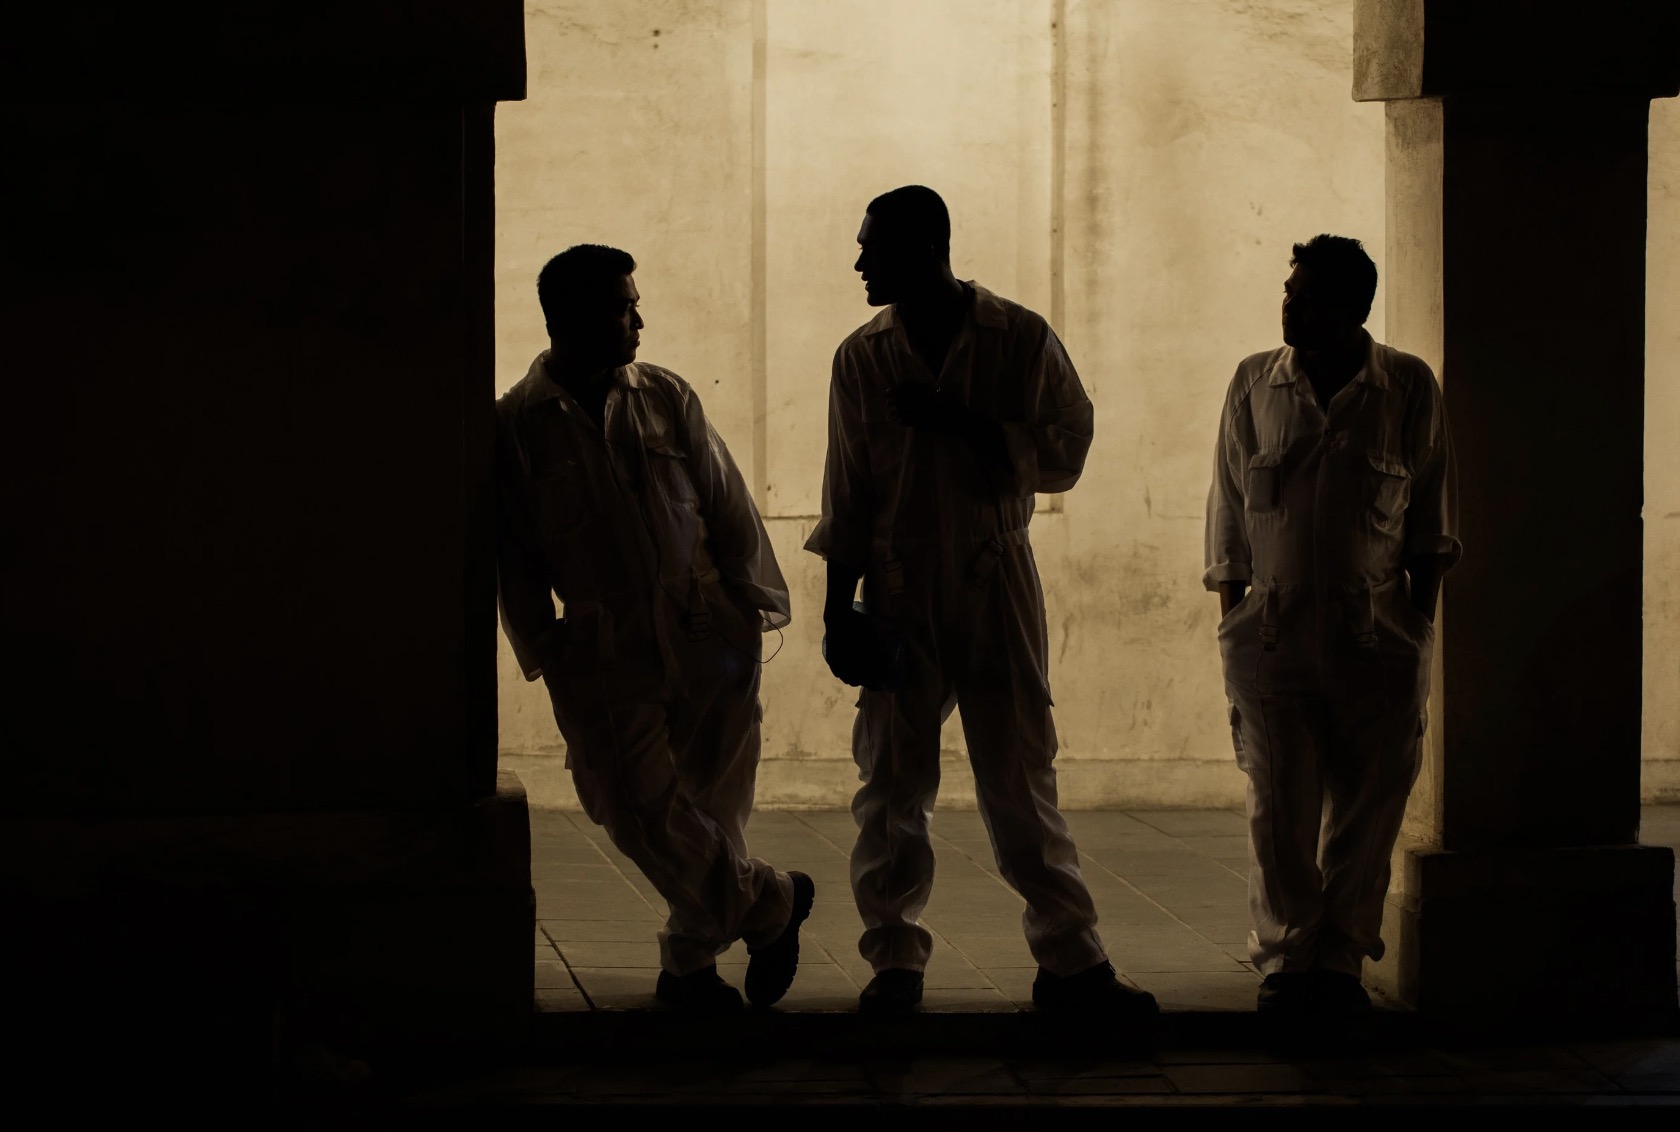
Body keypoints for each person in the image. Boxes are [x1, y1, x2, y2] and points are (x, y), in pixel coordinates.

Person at [807, 185, 1159, 1020]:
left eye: (873, 248)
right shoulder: (863, 357)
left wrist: (960, 421)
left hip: (994, 576)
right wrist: (834, 612)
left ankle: (1072, 962)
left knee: (1018, 773)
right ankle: (894, 962)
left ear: (927, 249)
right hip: (897, 591)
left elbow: (1067, 449)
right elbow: (848, 495)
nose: (859, 262)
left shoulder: (1018, 338)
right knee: (893, 781)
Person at [496, 244, 813, 1011]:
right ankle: (773, 903)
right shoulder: (517, 426)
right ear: (567, 319)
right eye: (620, 306)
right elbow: (512, 553)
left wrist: (749, 608)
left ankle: (690, 973)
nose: (638, 319)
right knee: (629, 802)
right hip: (603, 646)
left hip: (708, 628)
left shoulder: (664, 395)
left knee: (713, 803)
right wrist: (548, 649)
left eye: (635, 303)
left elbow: (725, 499)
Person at [1204, 234, 1460, 1020]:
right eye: (1290, 288)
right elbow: (1228, 520)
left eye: (1306, 292)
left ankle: (1340, 962)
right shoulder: (1255, 383)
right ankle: (1288, 960)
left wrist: (1416, 629)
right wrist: (1238, 620)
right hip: (1273, 641)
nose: (1289, 302)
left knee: (1366, 812)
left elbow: (1430, 527)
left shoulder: (1406, 387)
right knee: (1279, 810)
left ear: (1353, 307)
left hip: (1377, 643)